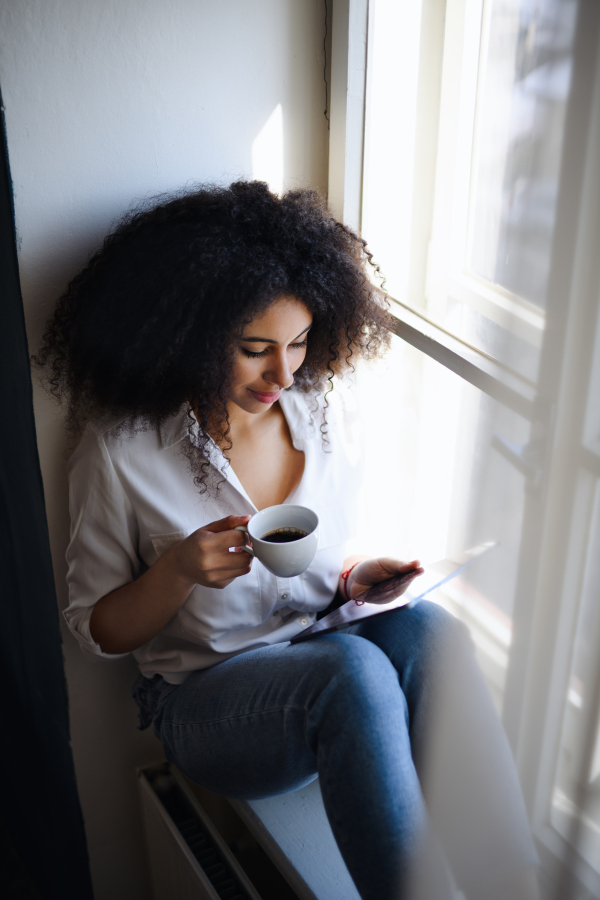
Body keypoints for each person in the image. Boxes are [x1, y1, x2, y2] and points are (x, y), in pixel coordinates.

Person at [34, 181, 538, 900]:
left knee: (433, 631)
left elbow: (322, 563)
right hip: (206, 702)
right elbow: (96, 630)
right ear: (192, 336)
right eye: (255, 350)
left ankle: (514, 886)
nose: (286, 372)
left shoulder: (319, 417)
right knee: (353, 679)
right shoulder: (122, 453)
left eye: (300, 343)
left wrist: (359, 574)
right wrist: (177, 569)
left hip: (319, 646)